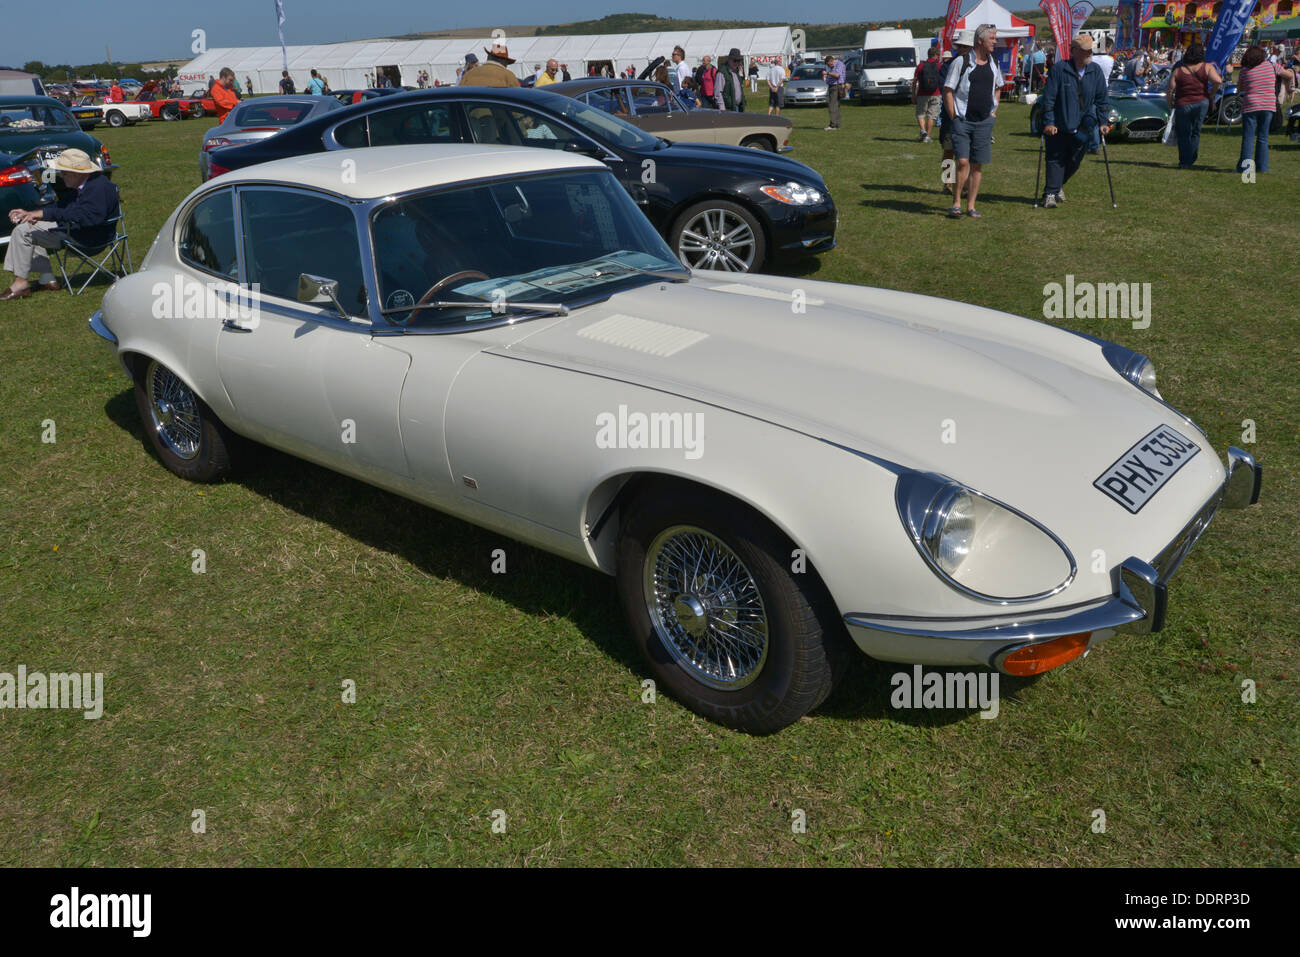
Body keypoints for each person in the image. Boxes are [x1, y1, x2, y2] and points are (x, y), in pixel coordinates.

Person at [2, 149, 118, 301]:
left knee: (23, 232)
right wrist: (31, 214)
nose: (61, 176)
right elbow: (60, 207)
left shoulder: (98, 189)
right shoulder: (88, 183)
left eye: (64, 173)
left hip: (89, 238)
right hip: (82, 230)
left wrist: (42, 216)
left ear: (77, 172)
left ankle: (20, 284)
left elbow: (87, 217)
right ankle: (47, 280)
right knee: (29, 226)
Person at [1038, 35, 1111, 208]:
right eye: (1086, 50)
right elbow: (1049, 98)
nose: (1089, 53)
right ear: (1074, 51)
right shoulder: (1059, 69)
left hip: (1084, 124)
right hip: (1059, 123)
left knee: (1075, 160)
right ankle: (1050, 193)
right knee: (1055, 159)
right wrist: (1049, 122)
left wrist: (1103, 121)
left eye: (1090, 49)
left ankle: (1056, 187)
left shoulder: (1095, 71)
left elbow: (1102, 99)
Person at [942, 24, 1003, 218]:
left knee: (977, 164)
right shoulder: (961, 62)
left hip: (984, 122)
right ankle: (956, 201)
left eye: (995, 38)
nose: (995, 41)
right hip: (962, 121)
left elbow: (998, 86)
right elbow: (948, 90)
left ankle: (971, 206)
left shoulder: (993, 62)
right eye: (992, 38)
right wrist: (954, 116)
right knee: (961, 160)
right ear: (980, 40)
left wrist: (994, 110)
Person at [1236, 45, 1295, 174]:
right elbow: (1289, 76)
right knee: (1263, 138)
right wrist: (1291, 71)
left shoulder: (1244, 71)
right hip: (1268, 105)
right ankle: (1262, 168)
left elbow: (1240, 89)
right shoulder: (1272, 66)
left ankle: (1245, 168)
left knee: (1248, 138)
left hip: (1250, 105)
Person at [1166, 43, 1220, 169]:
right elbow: (1217, 81)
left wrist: (1170, 104)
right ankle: (1192, 157)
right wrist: (1211, 93)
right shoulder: (1207, 67)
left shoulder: (1178, 70)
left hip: (1183, 104)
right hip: (1201, 102)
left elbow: (1170, 90)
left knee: (1183, 133)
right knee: (1196, 131)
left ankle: (1184, 161)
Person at [938, 31, 974, 194]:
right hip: (951, 115)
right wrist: (952, 114)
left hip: (971, 115)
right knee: (949, 150)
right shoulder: (949, 65)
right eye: (960, 46)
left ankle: (965, 184)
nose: (962, 49)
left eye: (965, 47)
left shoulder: (978, 64)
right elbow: (944, 90)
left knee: (967, 153)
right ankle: (947, 183)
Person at [913, 44, 943, 142]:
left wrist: (913, 94)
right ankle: (927, 136)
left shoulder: (921, 66)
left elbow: (915, 81)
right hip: (936, 93)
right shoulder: (939, 66)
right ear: (936, 55)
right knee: (931, 115)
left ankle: (922, 130)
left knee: (920, 114)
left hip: (922, 93)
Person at [823, 54, 846, 130]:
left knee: (832, 106)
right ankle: (837, 125)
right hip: (833, 86)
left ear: (831, 61)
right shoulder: (833, 66)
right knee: (836, 106)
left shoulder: (839, 64)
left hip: (836, 87)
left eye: (828, 64)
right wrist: (826, 77)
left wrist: (827, 73)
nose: (828, 66)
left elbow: (837, 75)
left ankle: (833, 125)